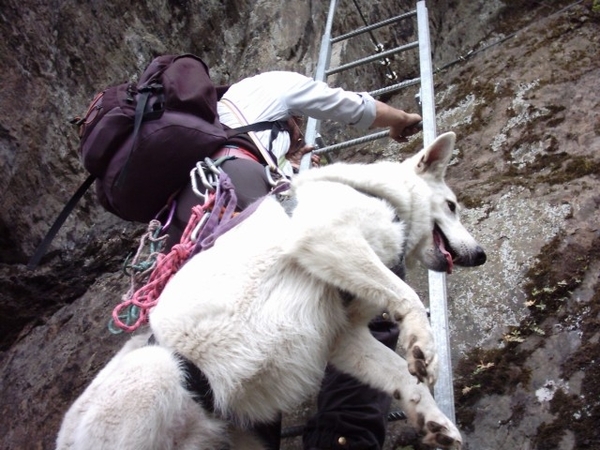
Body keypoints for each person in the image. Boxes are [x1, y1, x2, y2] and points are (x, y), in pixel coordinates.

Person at [165, 71, 422, 450]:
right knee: (370, 273)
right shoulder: (266, 85)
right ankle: (346, 437)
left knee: (235, 345)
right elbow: (351, 106)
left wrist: (289, 162)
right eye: (298, 126)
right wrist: (401, 120)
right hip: (236, 194)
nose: (300, 133)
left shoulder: (208, 134)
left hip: (187, 231)